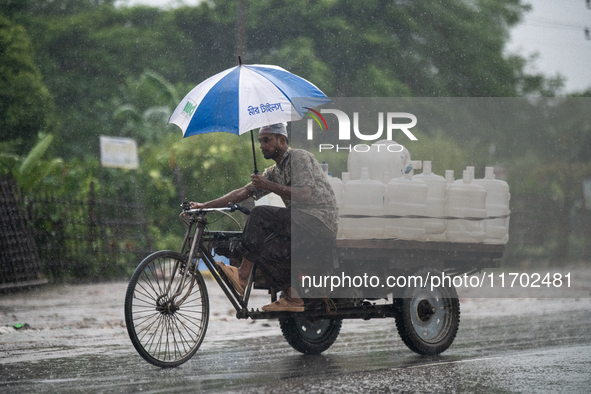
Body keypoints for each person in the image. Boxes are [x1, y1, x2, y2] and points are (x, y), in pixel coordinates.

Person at [190, 122, 338, 312]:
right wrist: (204, 206)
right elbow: (241, 193)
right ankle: (293, 298)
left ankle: (243, 275)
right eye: (260, 141)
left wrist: (268, 186)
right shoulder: (274, 171)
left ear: (282, 140)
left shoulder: (299, 157)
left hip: (319, 222)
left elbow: (305, 194)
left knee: (260, 213)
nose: (261, 146)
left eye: (267, 140)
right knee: (265, 251)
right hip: (299, 224)